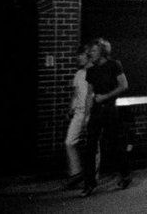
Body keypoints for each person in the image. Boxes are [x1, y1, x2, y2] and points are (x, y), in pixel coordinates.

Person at [79, 38, 131, 197]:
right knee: (90, 147)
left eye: (93, 51)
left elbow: (124, 85)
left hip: (109, 110)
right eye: (89, 52)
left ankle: (124, 175)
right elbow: (89, 94)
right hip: (96, 111)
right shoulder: (92, 70)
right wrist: (85, 116)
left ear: (102, 51)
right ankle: (89, 184)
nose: (90, 54)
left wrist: (106, 96)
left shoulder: (114, 65)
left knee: (114, 144)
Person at [64, 45, 91, 189]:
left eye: (80, 55)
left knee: (93, 146)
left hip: (90, 112)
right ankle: (76, 173)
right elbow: (76, 94)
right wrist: (70, 109)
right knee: (69, 142)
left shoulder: (93, 73)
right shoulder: (79, 74)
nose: (78, 58)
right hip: (78, 113)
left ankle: (92, 177)